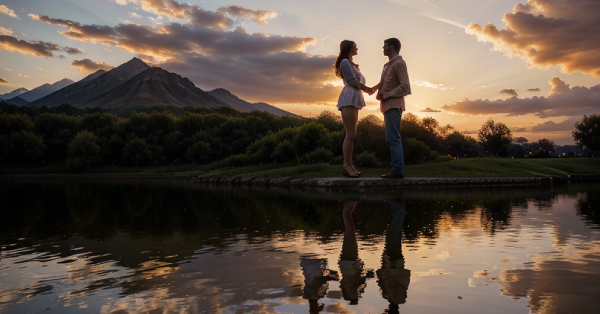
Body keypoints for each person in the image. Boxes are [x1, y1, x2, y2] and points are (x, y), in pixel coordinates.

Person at [368, 38, 411, 179]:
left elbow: (405, 87)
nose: (383, 48)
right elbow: (387, 81)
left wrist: (387, 94)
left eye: (385, 46)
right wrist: (374, 88)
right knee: (391, 138)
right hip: (387, 105)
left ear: (392, 47)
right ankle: (396, 169)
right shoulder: (388, 65)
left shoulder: (399, 63)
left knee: (393, 138)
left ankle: (397, 170)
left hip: (393, 104)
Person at [334, 40, 371, 177]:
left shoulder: (351, 64)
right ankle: (346, 165)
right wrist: (366, 89)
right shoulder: (345, 62)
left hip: (354, 98)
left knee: (352, 135)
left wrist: (368, 88)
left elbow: (359, 82)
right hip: (349, 97)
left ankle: (350, 164)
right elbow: (352, 81)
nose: (357, 48)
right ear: (350, 47)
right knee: (349, 134)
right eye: (356, 46)